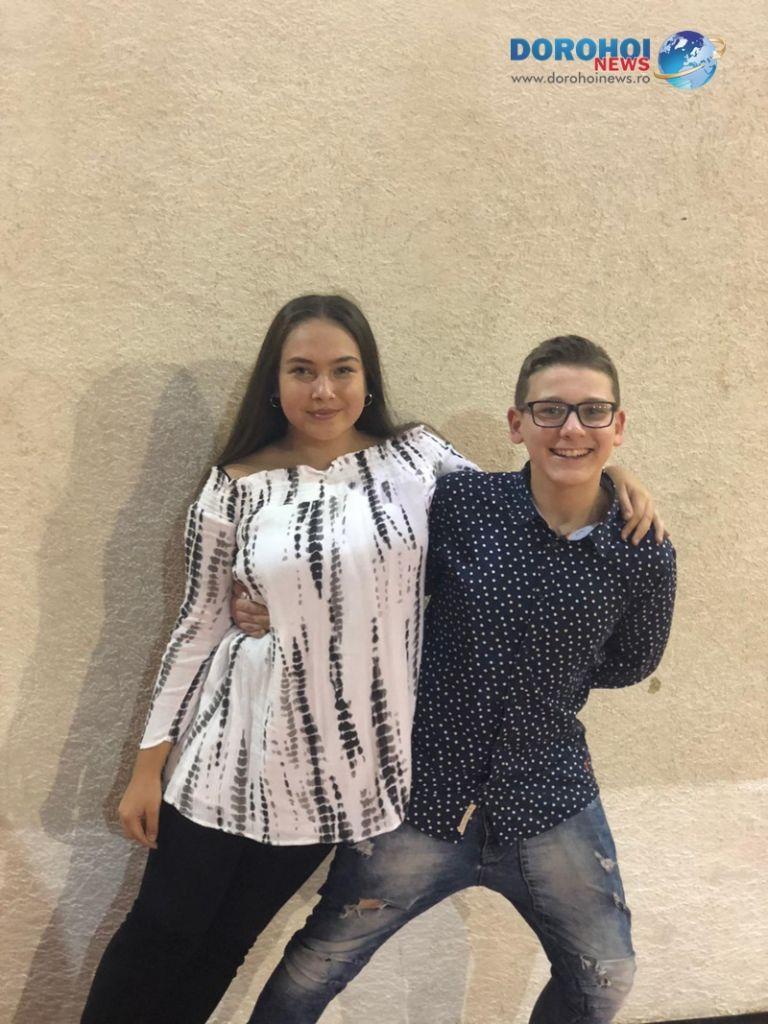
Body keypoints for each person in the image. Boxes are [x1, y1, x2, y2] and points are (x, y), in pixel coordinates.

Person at [81, 296, 659, 1024]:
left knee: (226, 943)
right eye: (302, 370)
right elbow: (196, 627)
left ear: (368, 378)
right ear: (274, 383)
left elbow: (527, 501)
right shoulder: (235, 483)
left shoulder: (417, 459)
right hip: (225, 756)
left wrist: (613, 479)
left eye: (342, 370)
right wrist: (147, 768)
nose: (323, 390)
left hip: (335, 777)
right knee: (161, 933)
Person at [244, 335, 677, 1024]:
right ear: (517, 423)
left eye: (593, 412)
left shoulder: (642, 550)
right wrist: (279, 604)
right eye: (550, 410)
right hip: (421, 795)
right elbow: (367, 564)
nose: (570, 428)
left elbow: (633, 663)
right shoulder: (462, 502)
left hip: (548, 794)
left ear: (618, 425)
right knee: (314, 966)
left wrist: (545, 681)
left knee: (606, 976)